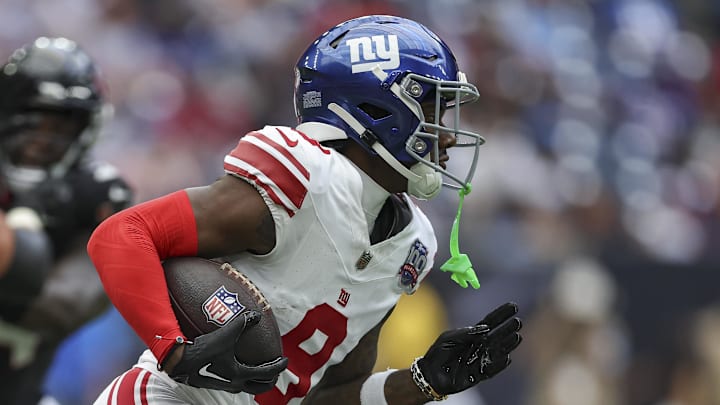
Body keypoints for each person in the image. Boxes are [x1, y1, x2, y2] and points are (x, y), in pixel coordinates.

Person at [88, 15, 522, 405]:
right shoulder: (304, 174)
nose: (446, 137)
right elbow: (122, 234)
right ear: (376, 111)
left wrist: (423, 381)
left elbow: (326, 396)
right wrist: (173, 347)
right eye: (431, 113)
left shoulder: (413, 242)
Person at [0, 37, 134, 404]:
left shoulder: (96, 194)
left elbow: (65, 306)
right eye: (31, 119)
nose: (43, 138)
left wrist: (14, 255)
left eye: (61, 125)